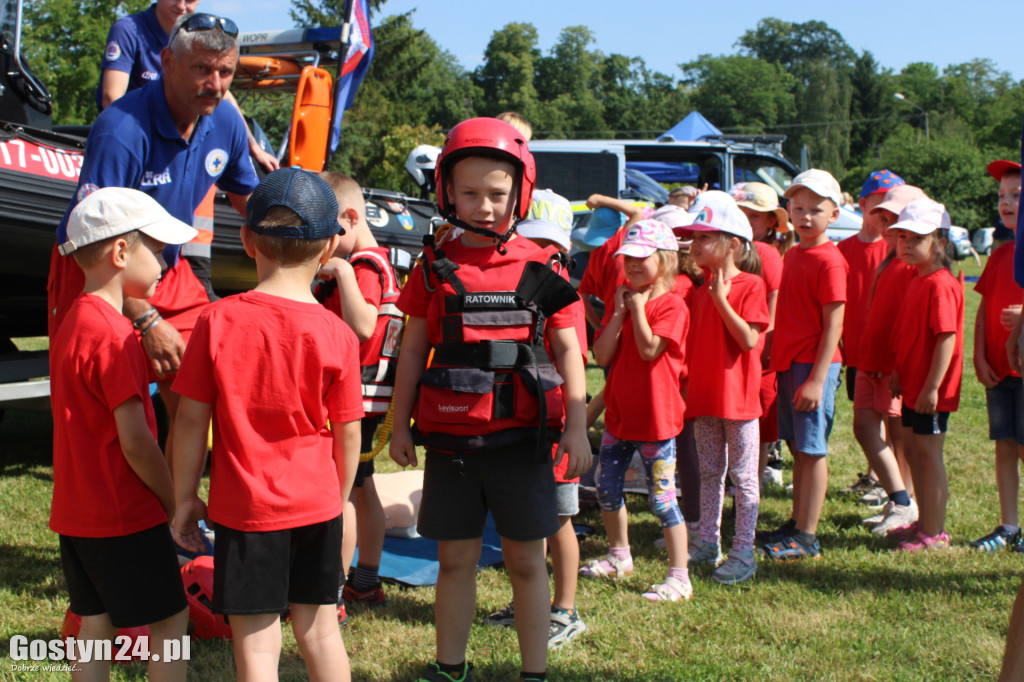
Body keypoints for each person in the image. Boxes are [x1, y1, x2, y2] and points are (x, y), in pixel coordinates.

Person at [388, 118, 591, 682]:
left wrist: (576, 427)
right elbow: (412, 352)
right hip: (452, 442)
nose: (483, 206)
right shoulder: (433, 267)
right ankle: (450, 667)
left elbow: (571, 351)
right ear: (446, 191)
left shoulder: (541, 264)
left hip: (523, 445)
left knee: (527, 561)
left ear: (520, 193)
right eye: (470, 192)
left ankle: (535, 673)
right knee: (455, 560)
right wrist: (400, 425)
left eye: (497, 194)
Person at [172, 168, 363, 681]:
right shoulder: (339, 333)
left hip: (248, 510)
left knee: (256, 641)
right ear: (328, 250)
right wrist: (337, 497)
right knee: (321, 631)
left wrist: (185, 498)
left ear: (247, 239)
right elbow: (349, 432)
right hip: (318, 505)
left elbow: (190, 420)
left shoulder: (215, 321)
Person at [49, 12, 260, 460]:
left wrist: (307, 235)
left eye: (225, 72)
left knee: (202, 387)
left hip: (168, 266)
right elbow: (93, 242)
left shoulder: (224, 122)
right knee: (107, 415)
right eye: (202, 68)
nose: (216, 84)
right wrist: (145, 320)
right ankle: (116, 523)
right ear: (166, 61)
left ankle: (182, 519)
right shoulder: (121, 130)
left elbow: (251, 200)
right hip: (96, 271)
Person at [50, 187, 197, 682]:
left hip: (77, 513)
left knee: (95, 624)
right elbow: (135, 441)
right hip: (124, 515)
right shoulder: (117, 337)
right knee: (171, 620)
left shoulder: (73, 322)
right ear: (119, 253)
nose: (163, 264)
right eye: (156, 252)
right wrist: (172, 498)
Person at [483, 189, 588, 649]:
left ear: (563, 250)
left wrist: (575, 428)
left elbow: (574, 360)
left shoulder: (565, 297)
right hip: (523, 427)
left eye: (551, 248)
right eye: (533, 244)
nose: (542, 256)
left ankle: (565, 609)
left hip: (556, 428)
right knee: (524, 525)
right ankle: (532, 601)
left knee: (558, 519)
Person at [583, 219, 692, 602]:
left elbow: (649, 350)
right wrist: (617, 313)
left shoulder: (673, 305)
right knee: (606, 489)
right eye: (626, 257)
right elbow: (603, 355)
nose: (630, 264)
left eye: (640, 258)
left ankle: (680, 576)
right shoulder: (626, 300)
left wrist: (640, 311)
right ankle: (619, 556)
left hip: (656, 422)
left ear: (664, 260)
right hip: (620, 418)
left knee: (662, 501)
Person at [315, 171, 403, 610]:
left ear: (350, 219)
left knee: (344, 492)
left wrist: (340, 274)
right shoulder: (371, 260)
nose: (322, 246)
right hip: (367, 397)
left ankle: (334, 592)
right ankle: (365, 580)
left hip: (358, 397)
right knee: (362, 489)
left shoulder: (362, 265)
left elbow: (363, 325)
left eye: (326, 233)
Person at [760, 169, 847, 561]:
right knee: (798, 447)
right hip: (790, 362)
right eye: (798, 207)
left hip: (814, 365)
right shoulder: (793, 253)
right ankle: (797, 523)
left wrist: (816, 379)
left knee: (811, 450)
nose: (806, 216)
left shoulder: (830, 260)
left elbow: (834, 323)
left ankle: (808, 536)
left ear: (835, 214)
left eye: (816, 209)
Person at [685, 192, 768, 584]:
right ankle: (707, 542)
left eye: (704, 237)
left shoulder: (750, 285)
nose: (694, 245)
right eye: (694, 237)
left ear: (732, 244)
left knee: (744, 479)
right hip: (703, 399)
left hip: (739, 403)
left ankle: (744, 552)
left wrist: (721, 299)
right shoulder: (698, 289)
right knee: (709, 473)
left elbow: (749, 340)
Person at [97, 2, 279, 172]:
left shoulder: (196, 37)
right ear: (167, 59)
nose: (182, 5)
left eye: (190, 0)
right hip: (139, 142)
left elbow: (224, 98)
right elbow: (111, 98)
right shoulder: (130, 30)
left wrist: (254, 147)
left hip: (180, 142)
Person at [887, 198, 964, 551]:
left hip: (931, 392)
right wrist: (900, 375)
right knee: (916, 453)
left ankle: (935, 533)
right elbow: (910, 334)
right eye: (901, 237)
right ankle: (924, 520)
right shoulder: (917, 280)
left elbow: (945, 338)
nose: (906, 245)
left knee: (929, 456)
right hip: (915, 388)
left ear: (941, 244)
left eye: (916, 238)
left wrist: (932, 387)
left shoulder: (940, 283)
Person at [855, 185, 928, 536]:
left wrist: (899, 364)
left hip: (890, 364)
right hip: (870, 359)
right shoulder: (888, 261)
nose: (887, 226)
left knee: (898, 435)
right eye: (883, 218)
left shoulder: (911, 267)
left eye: (895, 220)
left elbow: (909, 320)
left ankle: (904, 501)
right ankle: (900, 499)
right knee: (865, 427)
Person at [837, 170, 906, 503]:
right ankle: (875, 475)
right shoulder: (845, 249)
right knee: (868, 417)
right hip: (856, 350)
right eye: (881, 205)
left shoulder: (897, 251)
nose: (887, 214)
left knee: (891, 419)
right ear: (863, 205)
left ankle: (888, 483)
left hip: (886, 353)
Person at [971, 159, 1024, 553]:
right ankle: (1009, 527)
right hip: (999, 371)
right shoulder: (1002, 254)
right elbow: (984, 308)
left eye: (1016, 195)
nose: (1005, 202)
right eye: (1001, 195)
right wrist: (978, 356)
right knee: (1004, 445)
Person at [732, 182, 789, 488]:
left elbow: (773, 306)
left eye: (753, 217)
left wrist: (763, 348)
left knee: (756, 433)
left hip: (758, 356)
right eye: (740, 215)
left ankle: (746, 496)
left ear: (770, 223)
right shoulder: (741, 249)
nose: (745, 222)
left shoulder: (765, 253)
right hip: (741, 351)